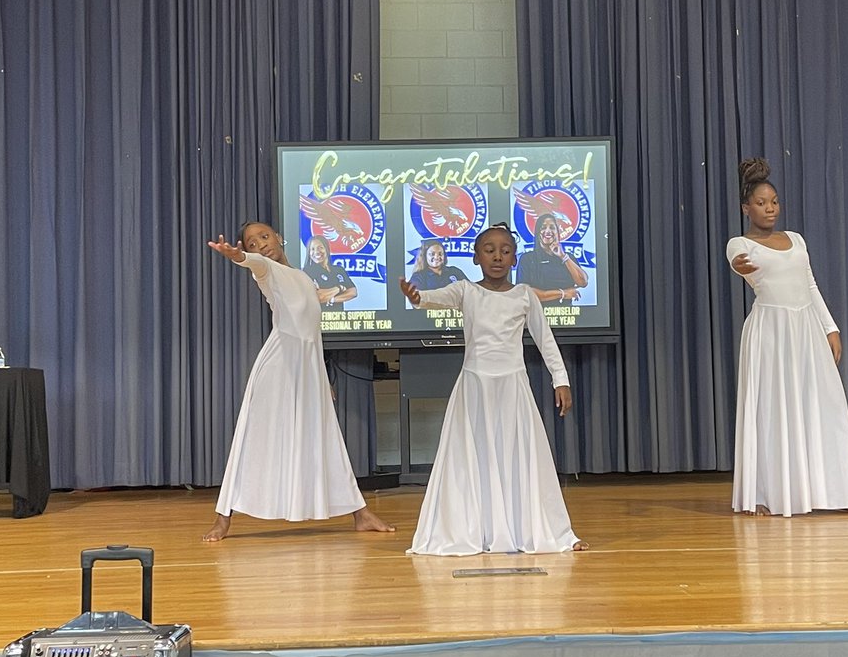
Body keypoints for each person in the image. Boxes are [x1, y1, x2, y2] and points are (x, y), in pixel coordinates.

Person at [399, 223, 588, 554]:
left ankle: (539, 531)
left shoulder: (525, 295)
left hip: (513, 388)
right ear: (476, 257)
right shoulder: (466, 291)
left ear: (514, 258)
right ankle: (477, 530)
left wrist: (561, 379)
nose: (497, 256)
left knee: (518, 456)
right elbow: (433, 298)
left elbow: (546, 342)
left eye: (505, 250)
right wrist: (418, 296)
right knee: (474, 458)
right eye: (489, 250)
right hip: (474, 387)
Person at [203, 221, 393, 541]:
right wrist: (237, 256)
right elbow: (254, 264)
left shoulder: (304, 277)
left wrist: (320, 375)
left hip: (307, 370)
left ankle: (360, 513)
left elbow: (311, 334)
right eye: (251, 243)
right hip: (279, 367)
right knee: (254, 439)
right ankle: (223, 519)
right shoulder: (267, 271)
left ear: (279, 237)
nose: (260, 245)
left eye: (264, 236)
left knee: (325, 438)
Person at [726, 158, 848, 517]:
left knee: (827, 406)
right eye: (761, 203)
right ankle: (763, 495)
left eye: (773, 202)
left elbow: (810, 285)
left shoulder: (797, 240)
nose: (769, 208)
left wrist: (830, 327)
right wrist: (738, 263)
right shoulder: (739, 243)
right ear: (746, 208)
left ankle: (841, 495)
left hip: (806, 330)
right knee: (771, 412)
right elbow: (737, 262)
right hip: (770, 334)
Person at [516, 213, 589, 305]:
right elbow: (525, 293)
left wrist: (563, 256)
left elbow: (583, 282)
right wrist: (563, 293)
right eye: (543, 228)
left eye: (552, 227)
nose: (548, 231)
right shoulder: (527, 259)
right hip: (537, 316)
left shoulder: (567, 257)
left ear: (557, 232)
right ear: (538, 232)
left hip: (567, 317)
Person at [303, 234, 357, 312]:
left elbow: (353, 292)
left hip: (340, 320)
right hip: (319, 320)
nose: (316, 252)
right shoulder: (307, 271)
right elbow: (319, 297)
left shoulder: (339, 270)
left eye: (320, 248)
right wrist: (339, 288)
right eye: (312, 249)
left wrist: (332, 299)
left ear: (326, 249)